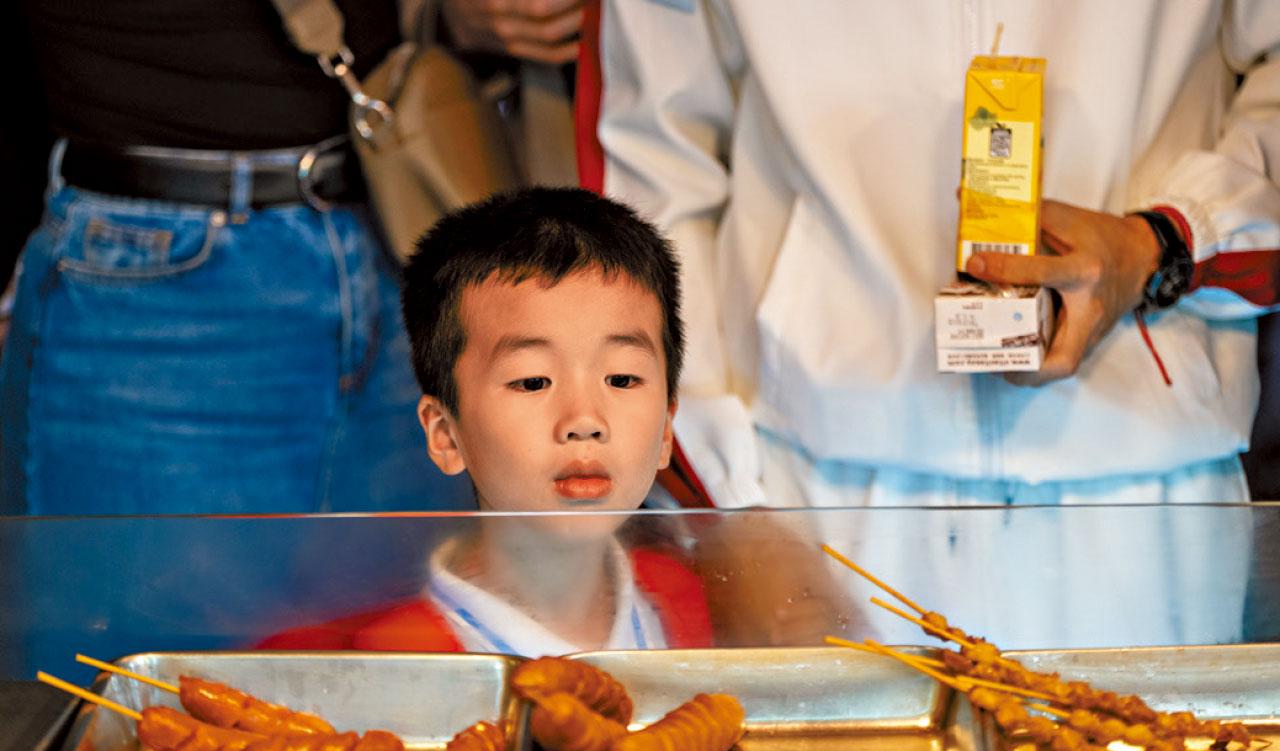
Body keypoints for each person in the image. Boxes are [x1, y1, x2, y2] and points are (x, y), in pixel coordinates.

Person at [587, 1, 1280, 511]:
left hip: (1143, 451)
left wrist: (1165, 238)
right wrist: (727, 486)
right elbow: (653, 156)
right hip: (813, 468)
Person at [1, 0, 582, 515]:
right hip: (157, 267)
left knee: (410, 623)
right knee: (148, 628)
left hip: (399, 216)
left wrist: (442, 14)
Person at [259, 187, 714, 653]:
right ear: (445, 435)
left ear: (665, 429)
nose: (584, 420)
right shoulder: (391, 664)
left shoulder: (686, 601)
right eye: (533, 382)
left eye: (621, 379)